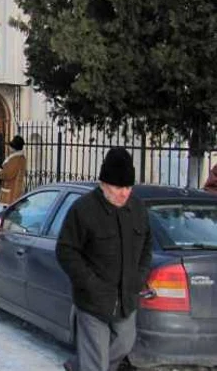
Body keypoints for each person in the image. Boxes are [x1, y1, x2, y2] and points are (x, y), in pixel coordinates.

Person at [57, 148, 153, 371]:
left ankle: (79, 366)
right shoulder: (83, 209)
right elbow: (65, 251)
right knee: (95, 362)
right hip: (93, 302)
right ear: (104, 183)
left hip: (126, 299)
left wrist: (139, 277)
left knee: (124, 344)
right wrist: (89, 284)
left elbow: (147, 245)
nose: (124, 193)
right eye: (118, 187)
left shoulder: (137, 208)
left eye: (129, 187)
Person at [0, 135, 27, 205]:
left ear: (14, 147)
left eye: (11, 146)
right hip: (14, 189)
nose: (9, 147)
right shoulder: (18, 158)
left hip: (11, 191)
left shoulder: (15, 159)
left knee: (9, 212)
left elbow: (8, 174)